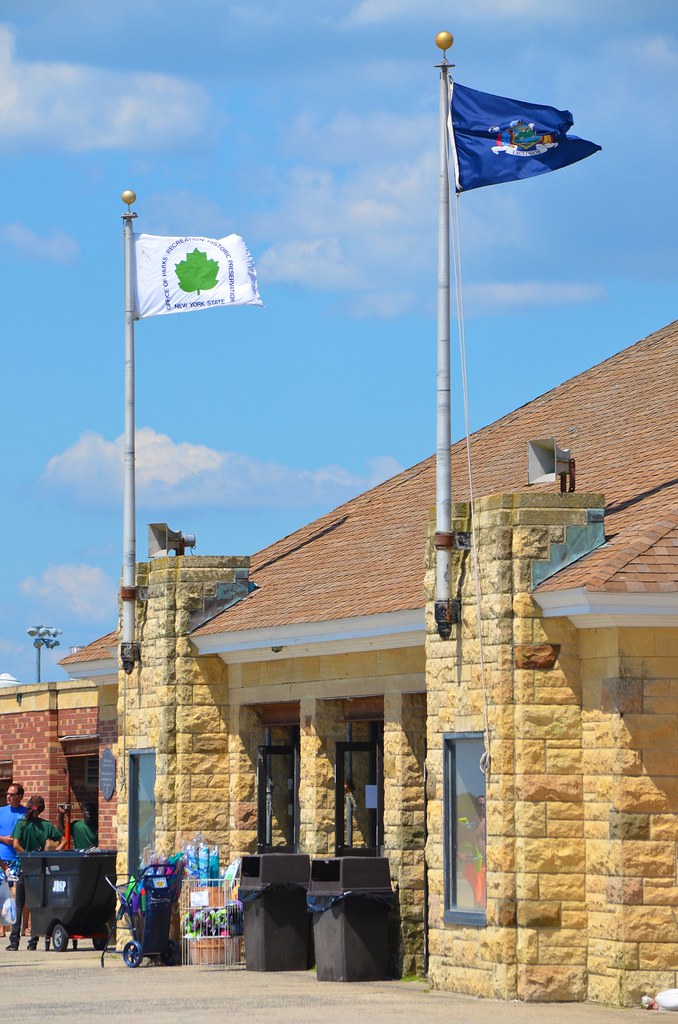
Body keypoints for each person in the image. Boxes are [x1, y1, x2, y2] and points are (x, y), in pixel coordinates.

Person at [6, 795, 65, 951]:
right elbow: (64, 841)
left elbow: (16, 844)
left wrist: (27, 854)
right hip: (40, 867)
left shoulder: (21, 824)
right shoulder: (45, 826)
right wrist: (52, 854)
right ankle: (33, 941)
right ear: (42, 809)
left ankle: (14, 941)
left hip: (23, 866)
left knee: (19, 905)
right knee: (36, 905)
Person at [0, 784, 27, 939]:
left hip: (19, 859)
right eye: (7, 794)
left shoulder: (25, 813)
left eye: (12, 794)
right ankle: (2, 929)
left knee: (20, 895)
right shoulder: (1, 811)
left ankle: (24, 927)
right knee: (3, 894)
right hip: (2, 858)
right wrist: (4, 839)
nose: (8, 796)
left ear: (20, 796)